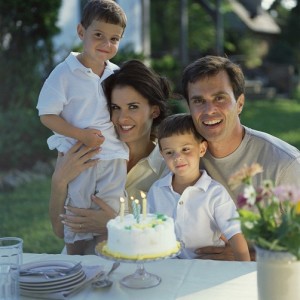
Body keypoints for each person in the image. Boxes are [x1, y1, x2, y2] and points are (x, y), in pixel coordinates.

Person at [181, 55, 300, 260]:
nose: (209, 110)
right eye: (199, 101)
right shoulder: (182, 155)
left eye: (220, 98)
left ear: (240, 103)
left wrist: (244, 256)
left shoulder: (285, 164)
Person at [49, 59, 172, 254]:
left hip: (134, 266)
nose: (122, 118)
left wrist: (114, 223)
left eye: (133, 107)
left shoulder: (168, 166)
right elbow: (59, 231)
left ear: (154, 110)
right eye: (115, 107)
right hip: (79, 267)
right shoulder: (85, 150)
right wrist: (59, 181)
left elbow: (168, 237)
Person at [37, 0, 129, 255]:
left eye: (114, 38)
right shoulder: (64, 73)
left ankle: (103, 262)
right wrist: (81, 135)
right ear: (81, 32)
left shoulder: (116, 74)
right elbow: (47, 114)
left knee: (110, 211)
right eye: (98, 35)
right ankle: (74, 260)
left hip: (113, 156)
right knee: (77, 211)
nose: (106, 44)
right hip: (81, 156)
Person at [147, 113, 250, 261]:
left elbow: (235, 234)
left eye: (185, 149)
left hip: (207, 268)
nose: (178, 158)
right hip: (169, 268)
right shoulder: (157, 191)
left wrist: (244, 270)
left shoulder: (215, 193)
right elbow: (149, 232)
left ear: (202, 149)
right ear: (162, 154)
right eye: (170, 152)